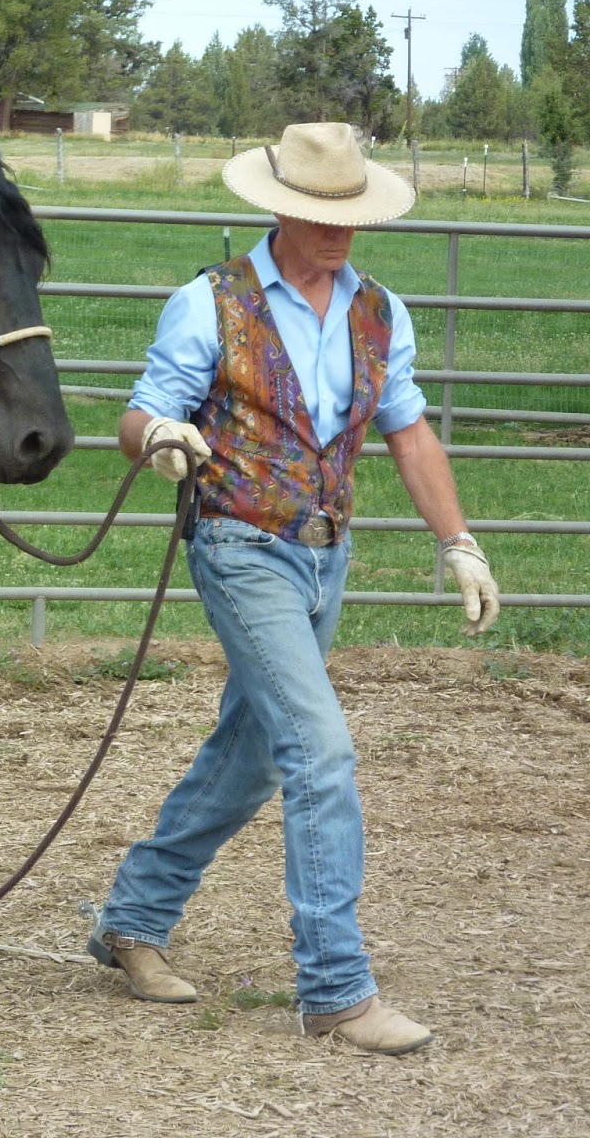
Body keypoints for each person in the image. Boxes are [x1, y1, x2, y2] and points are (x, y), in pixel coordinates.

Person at [83, 122, 501, 1056]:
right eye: (320, 213)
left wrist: (460, 542)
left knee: (255, 750)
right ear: (279, 207)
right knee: (318, 747)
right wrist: (156, 438)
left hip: (327, 554)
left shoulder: (378, 313)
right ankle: (337, 989)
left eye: (349, 213)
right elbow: (139, 411)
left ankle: (132, 919)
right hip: (239, 545)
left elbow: (409, 432)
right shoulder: (209, 303)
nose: (337, 230)